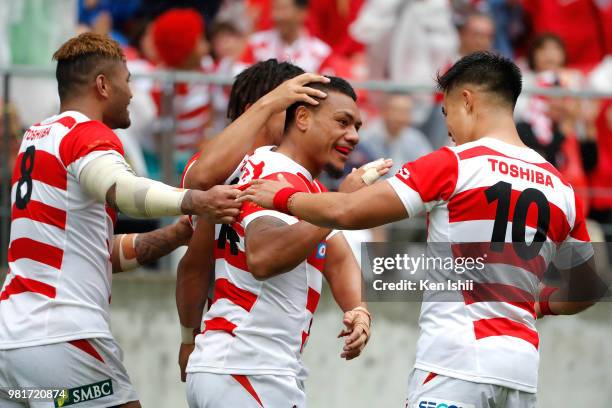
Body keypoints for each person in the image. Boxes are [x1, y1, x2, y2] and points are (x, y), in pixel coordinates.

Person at [239, 52, 603, 407]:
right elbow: (587, 288)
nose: (448, 128)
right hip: (521, 372)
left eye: (446, 113)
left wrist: (283, 197)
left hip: (454, 368)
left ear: (467, 101)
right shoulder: (561, 187)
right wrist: (535, 304)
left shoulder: (455, 164)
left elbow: (347, 211)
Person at [0, 33, 241, 408]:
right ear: (102, 85)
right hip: (63, 338)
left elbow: (91, 252)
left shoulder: (36, 138)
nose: (131, 93)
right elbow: (124, 191)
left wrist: (176, 235)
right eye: (127, 81)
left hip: (11, 345)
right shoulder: (86, 134)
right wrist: (197, 201)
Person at [185, 76, 378, 407]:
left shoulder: (303, 185)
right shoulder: (277, 174)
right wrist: (337, 206)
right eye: (343, 122)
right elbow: (263, 257)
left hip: (248, 369)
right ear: (302, 117)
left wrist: (358, 310)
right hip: (248, 369)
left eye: (357, 126)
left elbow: (340, 258)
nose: (354, 136)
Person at [237, 0, 332, 73]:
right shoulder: (255, 44)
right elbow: (239, 75)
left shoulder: (321, 53)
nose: (276, 16)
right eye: (275, 9)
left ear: (302, 13)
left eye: (283, 9)